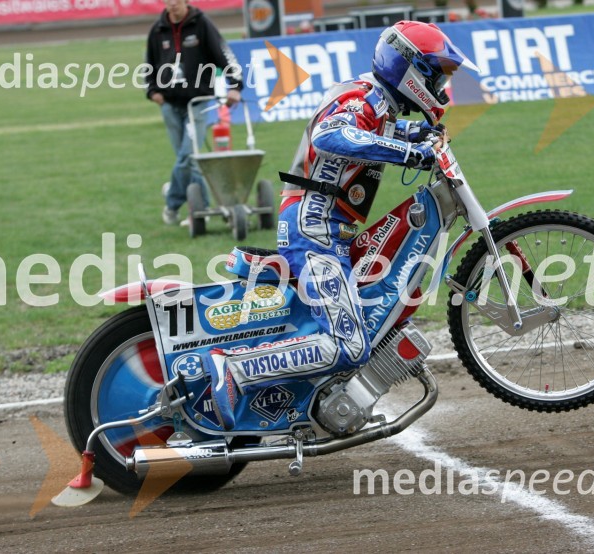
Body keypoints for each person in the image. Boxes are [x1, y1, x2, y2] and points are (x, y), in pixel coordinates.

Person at [202, 21, 478, 430]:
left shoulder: (377, 101)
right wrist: (410, 153)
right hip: (313, 229)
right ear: (410, 68)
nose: (441, 82)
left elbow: (375, 129)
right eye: (437, 71)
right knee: (348, 344)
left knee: (361, 322)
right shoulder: (360, 96)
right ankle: (235, 369)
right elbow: (331, 135)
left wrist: (417, 132)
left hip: (328, 229)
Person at [145, 0, 242, 225]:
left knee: (189, 156)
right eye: (168, 2)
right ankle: (202, 210)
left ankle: (171, 201)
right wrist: (152, 91)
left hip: (197, 102)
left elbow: (224, 54)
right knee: (190, 161)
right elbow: (149, 63)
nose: (172, 6)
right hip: (169, 104)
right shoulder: (158, 29)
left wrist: (235, 85)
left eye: (176, 1)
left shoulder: (202, 24)